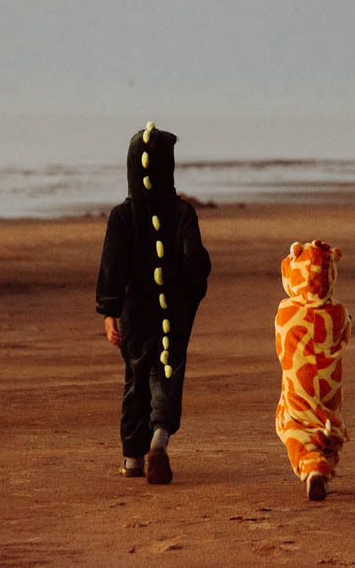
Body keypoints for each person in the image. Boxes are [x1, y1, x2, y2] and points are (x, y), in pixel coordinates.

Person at [96, 122, 211, 484]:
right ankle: (159, 438)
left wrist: (110, 310)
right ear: (169, 168)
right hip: (173, 313)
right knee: (167, 371)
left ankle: (132, 457)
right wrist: (191, 294)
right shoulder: (183, 213)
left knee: (136, 377)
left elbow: (112, 266)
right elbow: (196, 263)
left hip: (135, 313)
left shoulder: (122, 216)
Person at [274, 240, 350, 501]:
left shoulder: (285, 312)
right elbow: (344, 336)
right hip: (330, 389)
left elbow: (281, 346)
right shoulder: (338, 313)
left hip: (299, 387)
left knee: (293, 425)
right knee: (327, 422)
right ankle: (324, 466)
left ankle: (312, 468)